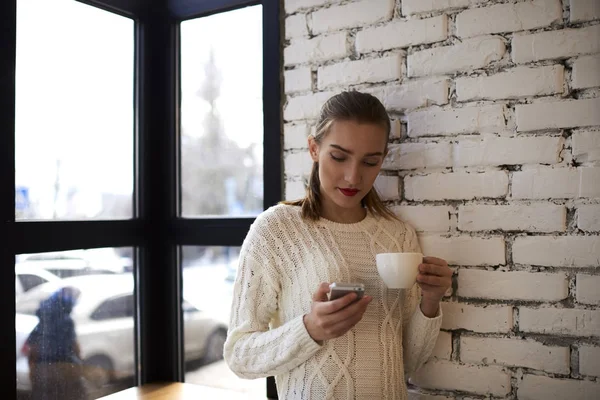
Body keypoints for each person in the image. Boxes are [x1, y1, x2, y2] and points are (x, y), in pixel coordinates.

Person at [224, 91, 452, 399]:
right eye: (339, 157)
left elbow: (409, 362)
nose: (352, 176)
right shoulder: (277, 230)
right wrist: (310, 328)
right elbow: (239, 356)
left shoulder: (399, 236)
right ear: (314, 149)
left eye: (370, 162)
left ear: (382, 160)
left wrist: (431, 301)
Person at [25, 286, 88, 400]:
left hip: (42, 372)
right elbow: (75, 347)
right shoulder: (66, 322)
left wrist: (33, 371)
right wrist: (80, 363)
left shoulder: (43, 319)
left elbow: (31, 349)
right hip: (62, 370)